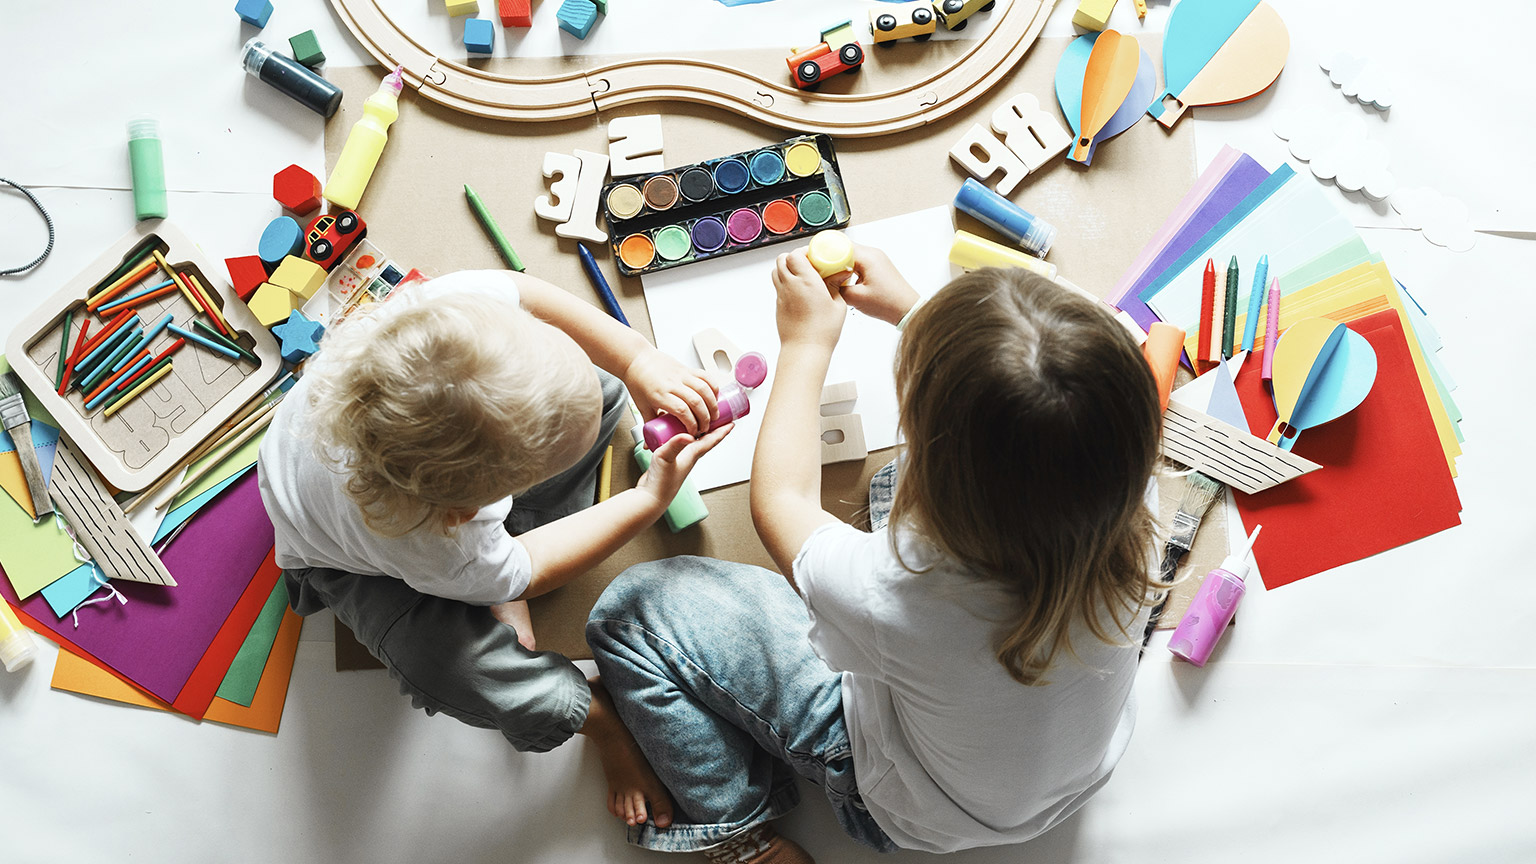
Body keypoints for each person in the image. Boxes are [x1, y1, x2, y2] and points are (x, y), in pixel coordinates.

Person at [587, 248, 1163, 863]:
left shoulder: (896, 593)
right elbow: (1024, 419)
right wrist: (915, 313)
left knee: (632, 614)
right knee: (905, 477)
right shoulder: (1134, 502)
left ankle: (739, 835)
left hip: (901, 807)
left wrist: (805, 343)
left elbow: (780, 501)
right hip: (1061, 785)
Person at [257, 270, 731, 826]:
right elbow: (529, 570)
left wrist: (635, 360)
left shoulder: (434, 325)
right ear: (467, 509)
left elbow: (523, 290)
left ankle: (494, 565)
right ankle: (597, 717)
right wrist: (648, 500)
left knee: (601, 395)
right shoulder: (435, 541)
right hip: (348, 565)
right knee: (450, 667)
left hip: (421, 487)